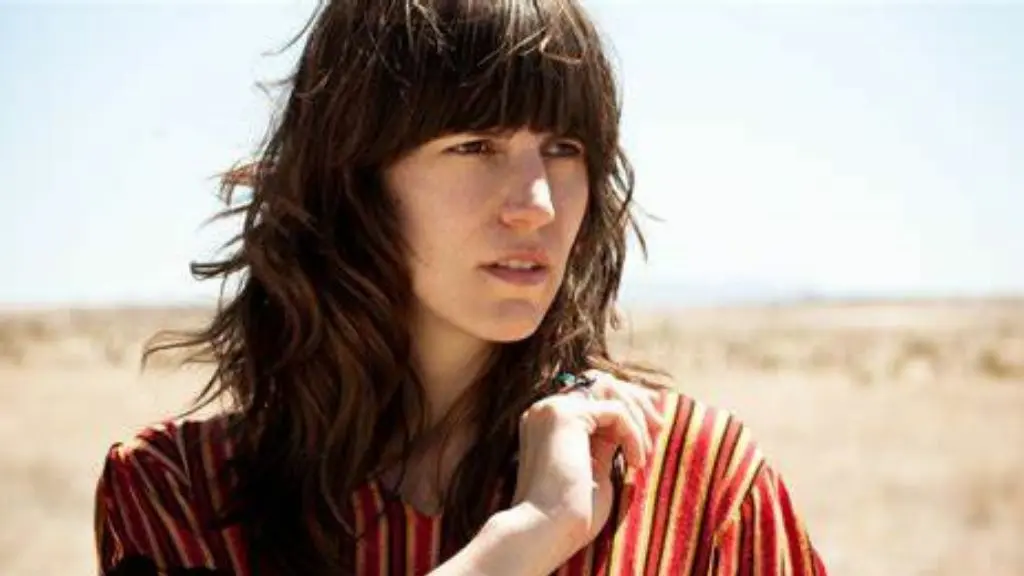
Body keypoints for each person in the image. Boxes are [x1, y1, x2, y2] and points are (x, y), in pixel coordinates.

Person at [93, 0, 828, 574]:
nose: (537, 204)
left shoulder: (695, 487)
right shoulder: (180, 496)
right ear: (352, 179)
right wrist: (525, 540)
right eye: (475, 146)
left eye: (563, 148)